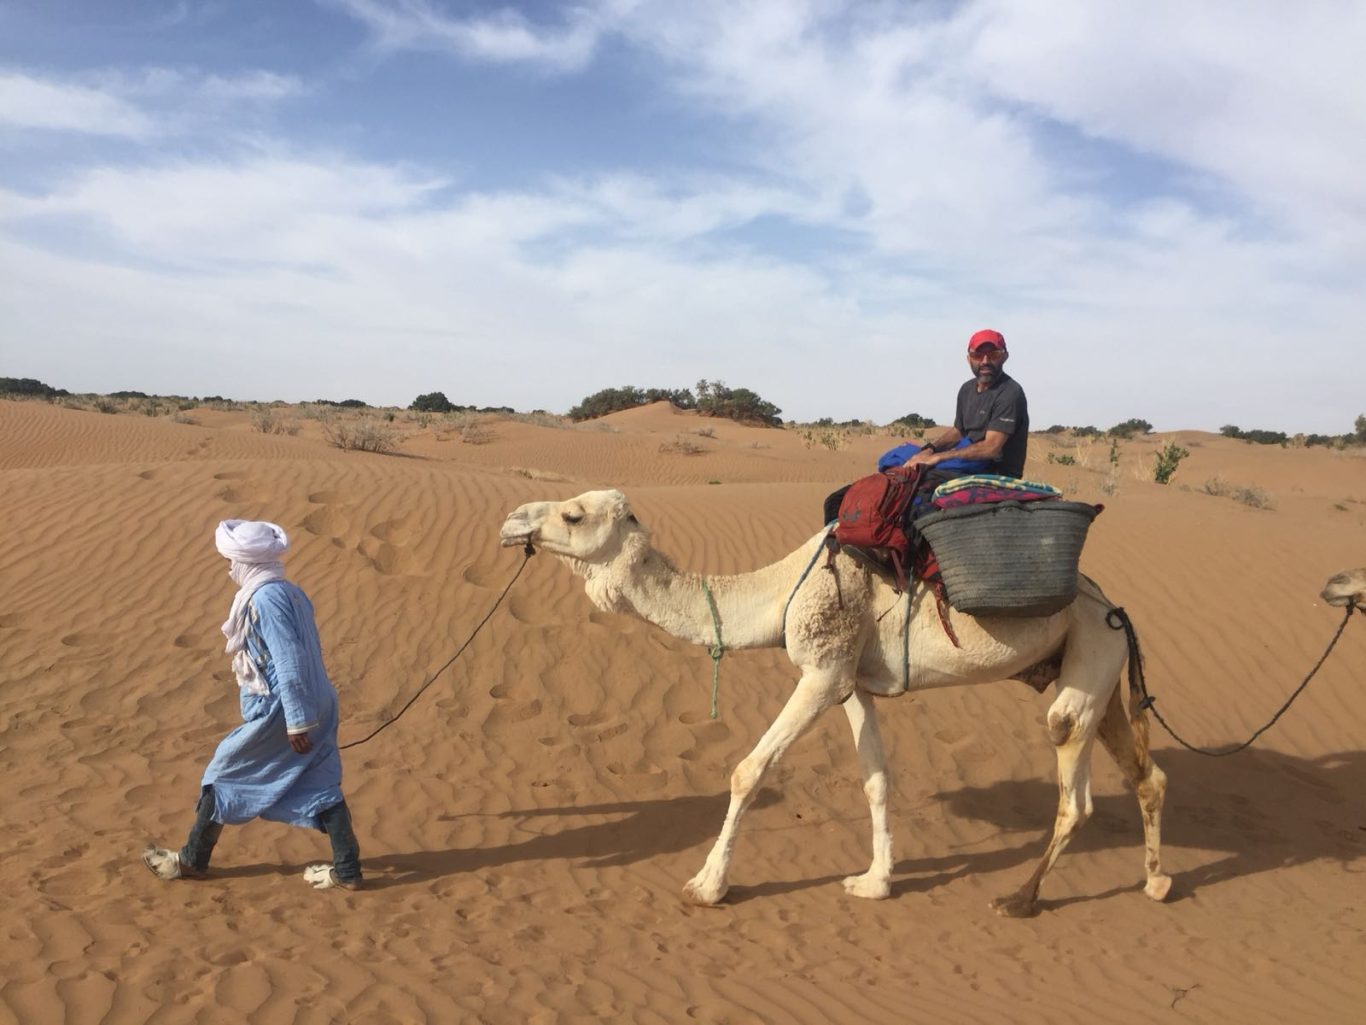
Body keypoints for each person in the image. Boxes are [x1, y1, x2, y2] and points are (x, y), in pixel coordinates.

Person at [142, 519, 363, 891]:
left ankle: (193, 860)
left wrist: (296, 720)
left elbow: (288, 658)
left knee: (224, 770)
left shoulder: (265, 598)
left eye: (232, 560)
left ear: (248, 562)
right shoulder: (290, 591)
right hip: (316, 698)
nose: (230, 568)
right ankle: (348, 868)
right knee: (318, 779)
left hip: (283, 708)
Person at [904, 328, 1029, 481]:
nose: (985, 361)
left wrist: (939, 458)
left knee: (924, 477)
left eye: (993, 355)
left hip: (996, 472)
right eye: (977, 355)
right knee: (898, 460)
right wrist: (929, 450)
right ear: (969, 359)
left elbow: (991, 448)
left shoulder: (1010, 392)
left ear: (1004, 357)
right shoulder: (966, 389)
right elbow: (958, 431)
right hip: (967, 462)